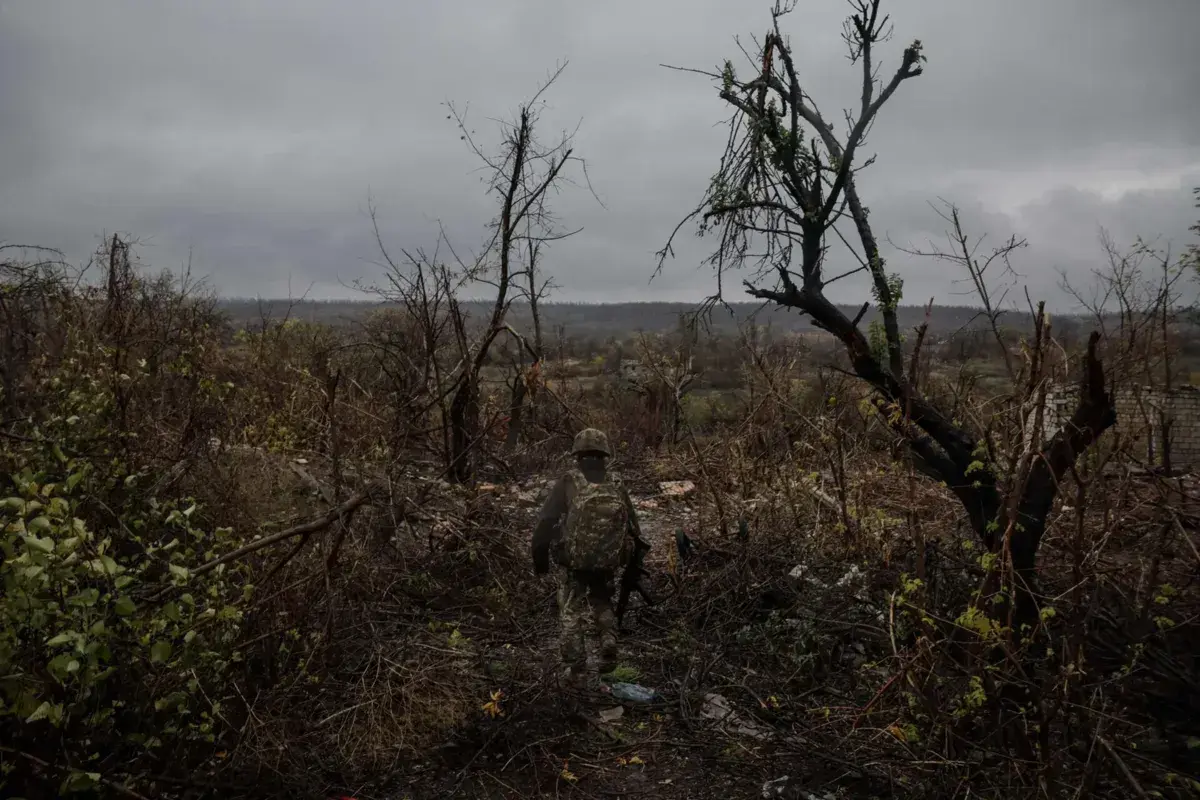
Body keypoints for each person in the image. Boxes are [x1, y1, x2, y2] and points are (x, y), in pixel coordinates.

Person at [532, 427, 643, 689]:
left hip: (575, 561)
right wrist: (629, 558)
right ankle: (608, 643)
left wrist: (540, 561)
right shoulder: (616, 482)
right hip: (607, 561)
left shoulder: (569, 481)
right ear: (605, 454)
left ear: (577, 454)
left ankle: (577, 668)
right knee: (602, 599)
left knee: (571, 609)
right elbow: (634, 527)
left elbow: (545, 522)